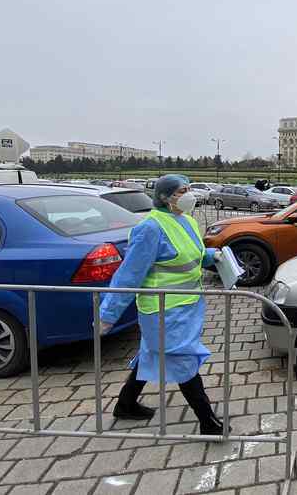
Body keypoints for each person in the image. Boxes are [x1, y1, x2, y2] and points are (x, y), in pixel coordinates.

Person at [99, 174, 227, 437]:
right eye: (182, 191)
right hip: (162, 308)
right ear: (164, 197)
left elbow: (192, 256)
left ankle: (125, 405)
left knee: (151, 352)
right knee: (182, 358)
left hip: (187, 304)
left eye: (190, 189)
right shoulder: (150, 228)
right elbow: (129, 274)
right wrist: (108, 314)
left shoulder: (187, 220)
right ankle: (208, 421)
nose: (189, 195)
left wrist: (213, 256)